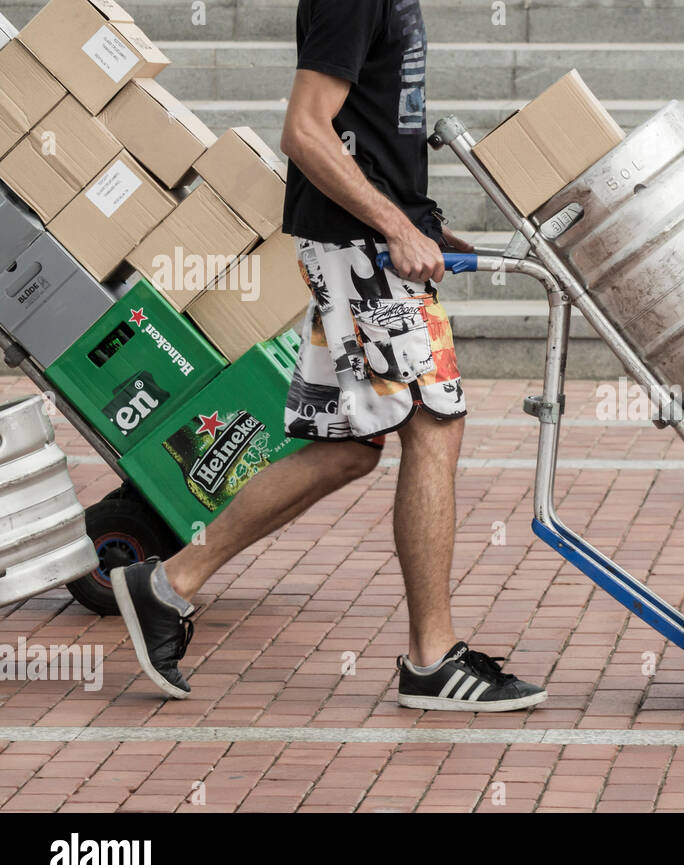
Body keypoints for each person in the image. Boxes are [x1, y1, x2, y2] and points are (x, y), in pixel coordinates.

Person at [109, 0, 547, 713]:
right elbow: (306, 131)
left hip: (363, 245)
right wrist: (394, 228)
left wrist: (423, 224)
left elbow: (368, 127)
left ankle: (166, 585)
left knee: (350, 447)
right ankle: (432, 659)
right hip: (361, 250)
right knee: (435, 425)